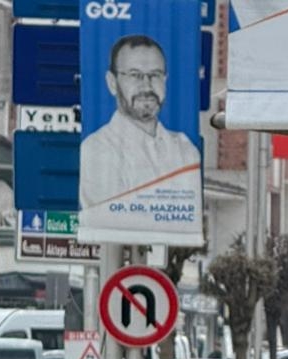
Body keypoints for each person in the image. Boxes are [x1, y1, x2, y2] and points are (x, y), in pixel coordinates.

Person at [79, 35, 202, 237]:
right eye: (135, 75)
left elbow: (190, 221)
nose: (147, 86)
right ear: (112, 82)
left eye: (155, 75)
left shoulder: (186, 149)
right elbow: (109, 225)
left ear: (165, 80)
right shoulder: (95, 149)